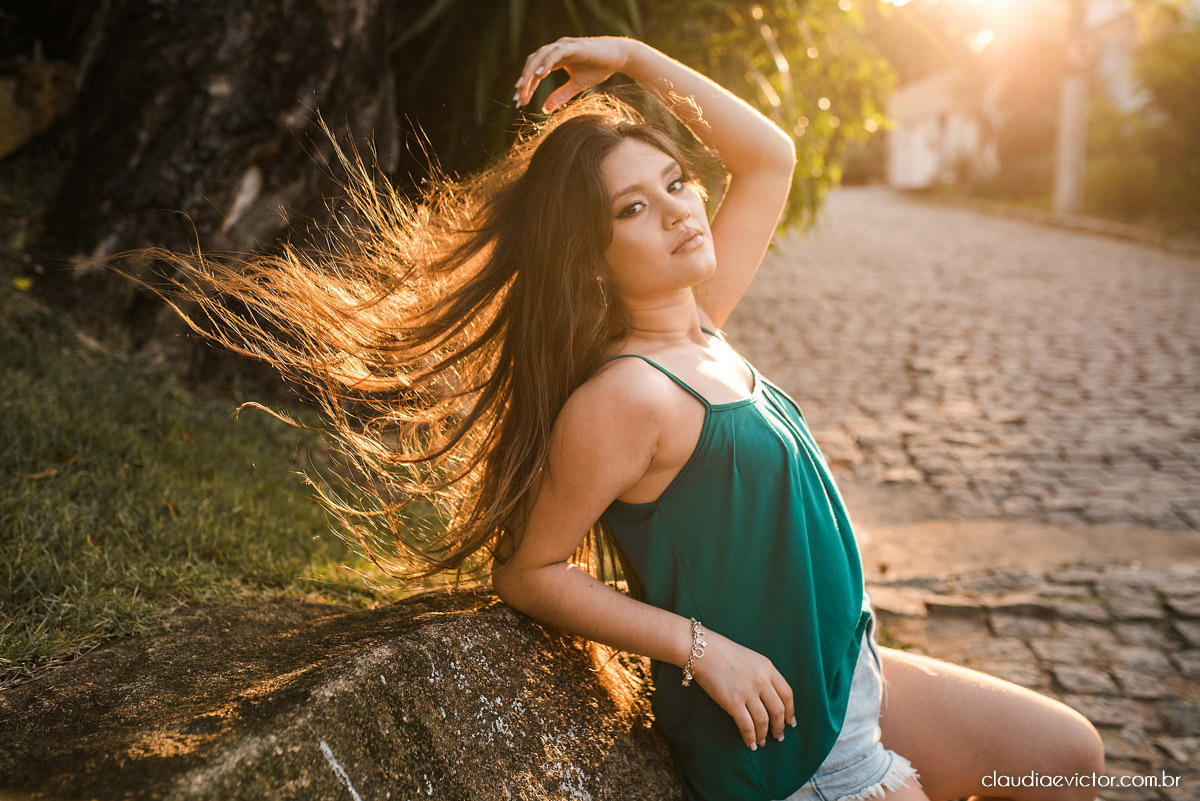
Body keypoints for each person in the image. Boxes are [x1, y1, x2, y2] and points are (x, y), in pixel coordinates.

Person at [139, 34, 1106, 801]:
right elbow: (530, 569)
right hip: (793, 745)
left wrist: (636, 63)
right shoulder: (631, 395)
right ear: (593, 258)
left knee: (1068, 754)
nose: (682, 210)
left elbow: (770, 155)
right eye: (634, 210)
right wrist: (700, 647)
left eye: (676, 183)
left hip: (848, 670)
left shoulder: (703, 326)